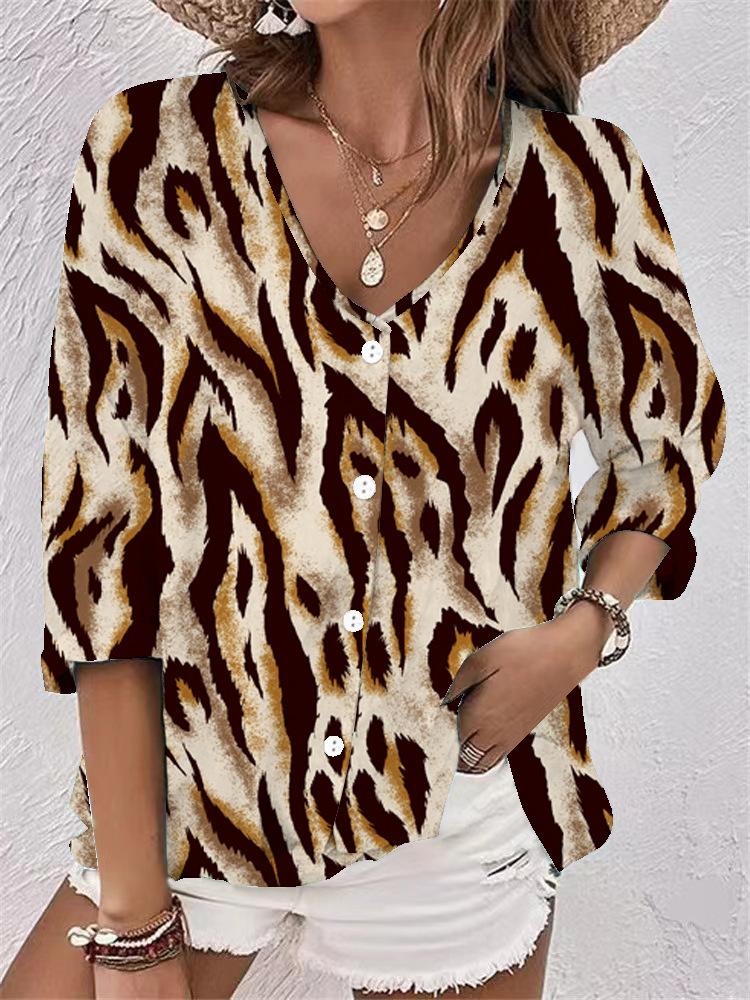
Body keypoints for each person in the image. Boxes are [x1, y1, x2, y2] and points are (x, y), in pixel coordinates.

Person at [1, 0, 726, 998]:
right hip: (192, 804)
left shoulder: (580, 182)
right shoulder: (155, 153)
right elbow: (103, 542)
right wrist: (132, 927)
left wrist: (580, 633)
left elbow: (666, 451)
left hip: (458, 811)